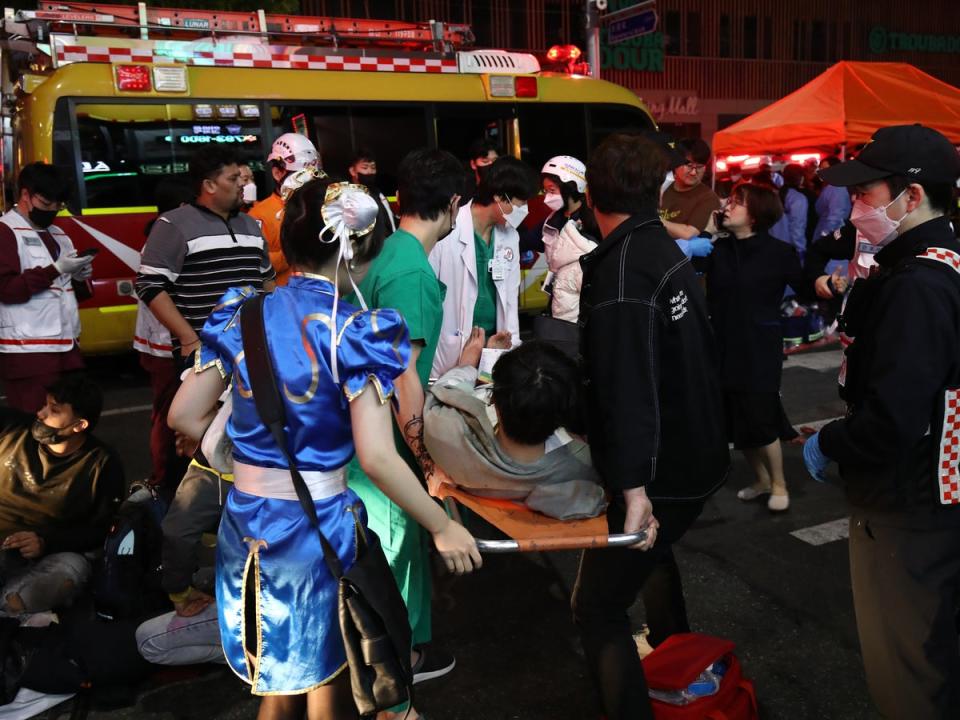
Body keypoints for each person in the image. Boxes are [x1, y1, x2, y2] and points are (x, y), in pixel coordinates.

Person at [168, 173, 480, 719]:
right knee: (327, 683)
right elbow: (379, 458)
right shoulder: (354, 332)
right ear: (357, 255)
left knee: (277, 678)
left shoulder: (241, 313)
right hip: (319, 532)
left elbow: (185, 415)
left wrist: (247, 458)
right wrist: (442, 524)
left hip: (247, 524)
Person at [803, 124, 960, 720]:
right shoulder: (942, 263)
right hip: (940, 489)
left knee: (907, 669)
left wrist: (829, 442)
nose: (854, 207)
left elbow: (893, 421)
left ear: (912, 197)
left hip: (907, 502)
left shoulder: (918, 283)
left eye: (865, 193)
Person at [571, 133, 729, 720]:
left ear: (590, 195)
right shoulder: (661, 249)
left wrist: (633, 490)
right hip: (696, 453)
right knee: (654, 553)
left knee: (597, 609)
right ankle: (679, 661)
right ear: (657, 191)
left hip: (662, 468)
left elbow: (629, 389)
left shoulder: (622, 274)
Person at [343, 148, 465, 692]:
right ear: (455, 204)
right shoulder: (411, 271)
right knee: (395, 549)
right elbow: (404, 375)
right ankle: (398, 660)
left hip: (361, 431)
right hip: (386, 440)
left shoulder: (386, 252)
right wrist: (425, 459)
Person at [423, 335, 606, 520]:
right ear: (564, 416)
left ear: (493, 400)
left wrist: (469, 364)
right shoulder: (582, 469)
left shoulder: (445, 432)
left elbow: (445, 390)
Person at [699, 182, 801, 512]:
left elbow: (806, 287)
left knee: (760, 415)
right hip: (722, 343)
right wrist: (708, 232)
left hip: (759, 347)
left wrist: (827, 284)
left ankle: (780, 483)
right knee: (734, 417)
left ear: (755, 214)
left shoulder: (779, 253)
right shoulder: (718, 250)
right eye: (728, 200)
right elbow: (688, 269)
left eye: (737, 202)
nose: (727, 205)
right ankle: (761, 480)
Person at [135, 145, 276, 373]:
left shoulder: (251, 225)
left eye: (241, 177)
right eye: (233, 179)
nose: (243, 184)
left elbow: (267, 280)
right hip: (205, 353)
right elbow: (149, 285)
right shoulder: (173, 224)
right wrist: (188, 339)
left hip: (255, 348)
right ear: (209, 185)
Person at [0, 375, 124, 614]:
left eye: (54, 410)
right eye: (45, 404)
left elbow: (102, 530)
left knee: (59, 580)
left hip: (53, 553)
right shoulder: (12, 428)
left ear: (79, 425)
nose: (41, 413)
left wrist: (45, 542)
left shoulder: (101, 464)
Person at [429, 156, 537, 377]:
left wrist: (512, 344)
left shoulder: (510, 236)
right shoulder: (449, 230)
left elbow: (509, 298)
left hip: (494, 344)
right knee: (453, 401)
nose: (524, 209)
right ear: (499, 196)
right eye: (520, 202)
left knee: (487, 398)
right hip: (454, 345)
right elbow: (430, 294)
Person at [0, 163, 93, 413]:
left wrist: (80, 276)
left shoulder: (59, 234)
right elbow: (7, 289)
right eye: (46, 203)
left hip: (68, 347)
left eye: (58, 205)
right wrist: (56, 270)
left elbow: (72, 294)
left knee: (69, 427)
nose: (52, 210)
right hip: (27, 352)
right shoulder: (5, 231)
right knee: (35, 428)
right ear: (25, 195)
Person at [134, 180, 194, 500]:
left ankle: (173, 474)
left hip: (166, 341)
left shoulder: (164, 235)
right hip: (163, 344)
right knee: (168, 414)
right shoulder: (163, 240)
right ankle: (164, 479)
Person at [530, 155, 598, 323]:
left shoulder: (596, 221)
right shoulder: (551, 222)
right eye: (545, 191)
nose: (547, 197)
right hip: (561, 304)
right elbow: (525, 240)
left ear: (573, 187)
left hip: (591, 307)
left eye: (552, 190)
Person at [248, 133, 320, 286]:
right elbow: (255, 265)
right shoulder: (259, 215)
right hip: (283, 301)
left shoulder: (319, 206)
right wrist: (295, 250)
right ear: (277, 173)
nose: (307, 180)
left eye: (310, 175)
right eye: (299, 175)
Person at [660, 138, 722, 241]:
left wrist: (653, 221)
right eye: (689, 166)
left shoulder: (708, 198)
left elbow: (688, 234)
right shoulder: (663, 188)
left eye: (699, 167)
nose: (693, 172)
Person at [347, 147, 397, 233]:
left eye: (373, 168)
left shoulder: (378, 193)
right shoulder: (348, 197)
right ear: (352, 171)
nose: (370, 171)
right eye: (365, 168)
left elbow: (389, 220)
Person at [770, 163, 810, 261]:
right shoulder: (798, 198)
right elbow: (797, 227)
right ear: (801, 178)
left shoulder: (774, 195)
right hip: (790, 249)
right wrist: (800, 249)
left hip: (773, 245)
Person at [811, 156, 852, 243]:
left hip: (831, 235)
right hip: (827, 231)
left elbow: (835, 218)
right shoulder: (830, 185)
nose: (821, 171)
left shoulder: (837, 188)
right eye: (820, 168)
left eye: (825, 168)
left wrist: (824, 236)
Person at [460, 138, 499, 205]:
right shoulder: (465, 191)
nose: (491, 164)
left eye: (495, 161)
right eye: (485, 161)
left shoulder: (504, 186)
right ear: (473, 164)